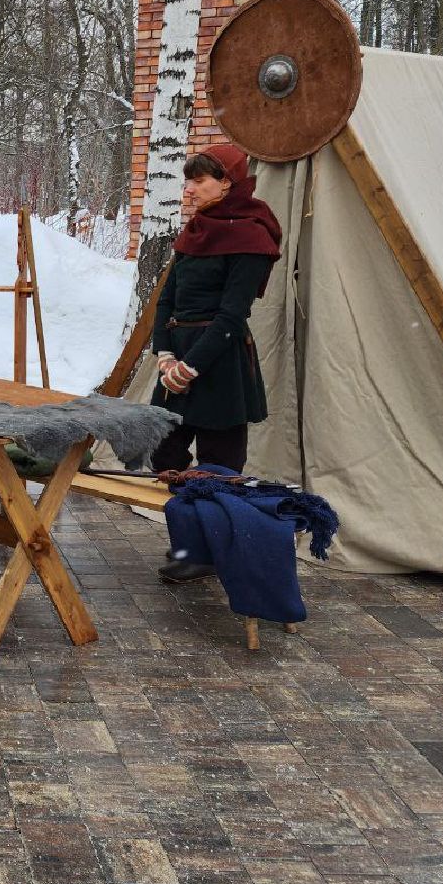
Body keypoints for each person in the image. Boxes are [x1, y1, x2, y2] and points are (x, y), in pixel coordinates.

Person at [149, 143, 282, 583]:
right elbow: (168, 297)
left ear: (228, 182)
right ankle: (190, 541)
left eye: (200, 180)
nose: (190, 189)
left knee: (218, 466)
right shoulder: (197, 229)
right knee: (164, 451)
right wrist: (166, 355)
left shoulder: (252, 234)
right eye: (189, 180)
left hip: (219, 361)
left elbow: (232, 314)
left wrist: (191, 368)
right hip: (179, 358)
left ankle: (204, 551)